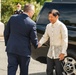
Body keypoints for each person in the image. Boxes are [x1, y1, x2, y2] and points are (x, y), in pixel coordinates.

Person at [4, 4, 38, 75]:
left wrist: (8, 44)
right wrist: (36, 45)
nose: (33, 13)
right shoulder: (32, 23)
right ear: (30, 11)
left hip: (11, 49)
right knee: (24, 72)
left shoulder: (12, 18)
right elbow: (33, 39)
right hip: (24, 51)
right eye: (33, 12)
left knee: (11, 70)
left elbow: (6, 33)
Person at [38, 9, 68, 75]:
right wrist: (40, 43)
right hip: (51, 52)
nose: (49, 18)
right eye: (49, 17)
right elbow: (45, 36)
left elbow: (65, 40)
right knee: (49, 70)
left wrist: (63, 52)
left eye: (51, 17)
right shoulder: (48, 26)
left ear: (56, 17)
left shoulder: (62, 26)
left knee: (59, 71)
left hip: (59, 52)